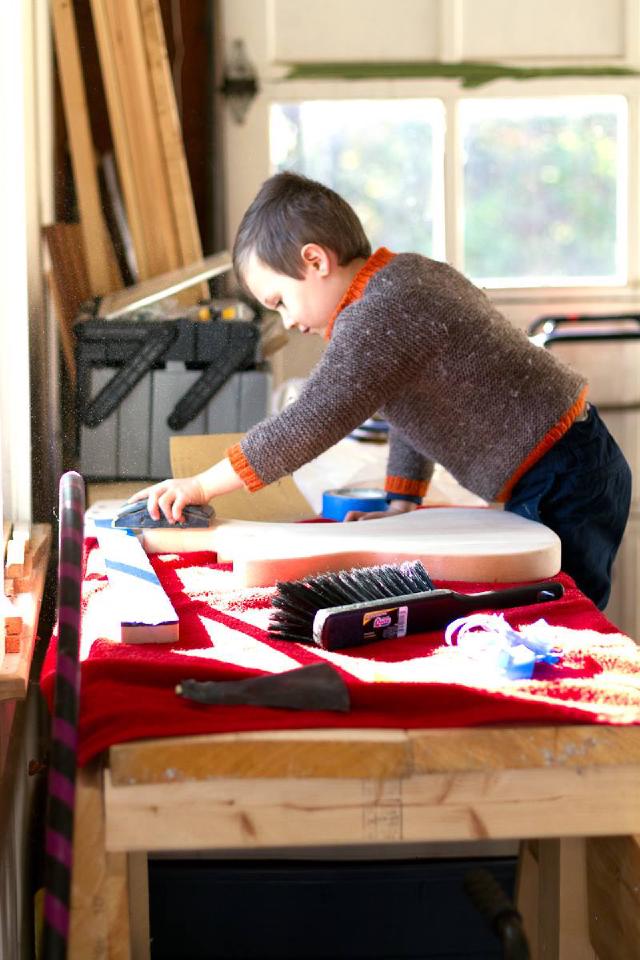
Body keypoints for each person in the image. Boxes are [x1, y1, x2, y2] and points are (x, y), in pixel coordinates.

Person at [130, 171, 631, 609]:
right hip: (570, 462)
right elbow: (412, 408)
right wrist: (402, 502)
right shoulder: (400, 280)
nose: (288, 320)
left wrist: (199, 486)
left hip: (563, 474)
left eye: (281, 300)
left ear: (315, 261)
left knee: (557, 614)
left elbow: (308, 423)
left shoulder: (376, 315)